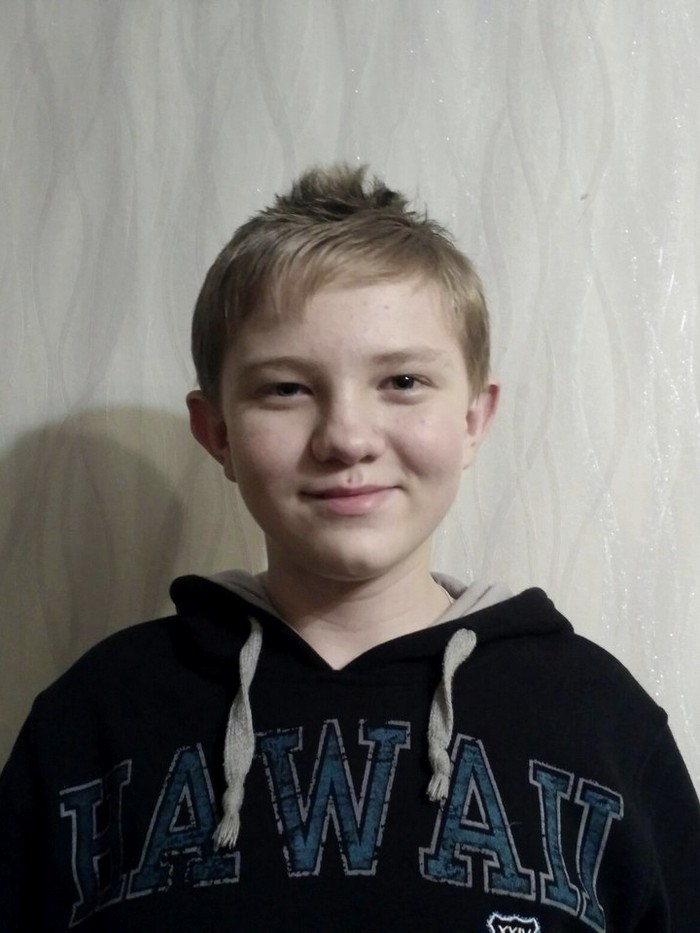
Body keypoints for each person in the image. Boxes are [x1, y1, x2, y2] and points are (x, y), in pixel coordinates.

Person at [1, 165, 699, 932]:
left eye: (402, 380)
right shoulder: (93, 717)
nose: (346, 438)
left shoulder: (598, 719)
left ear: (473, 419)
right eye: (286, 389)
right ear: (218, 432)